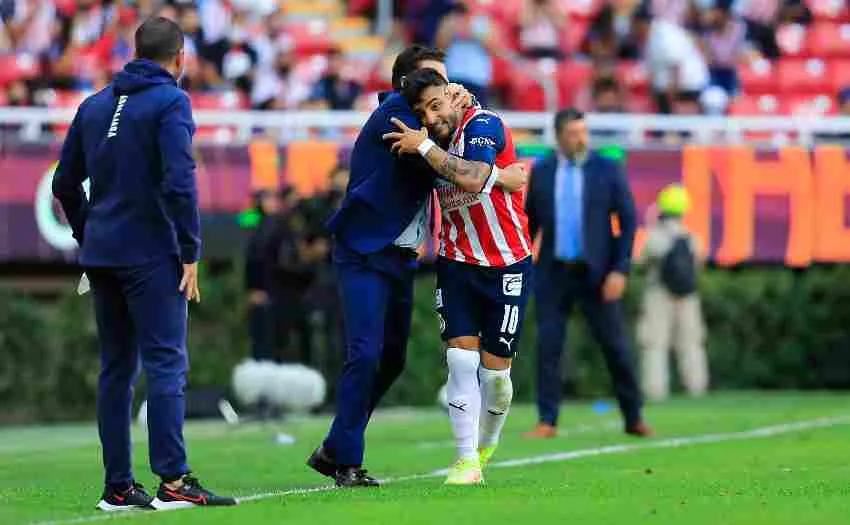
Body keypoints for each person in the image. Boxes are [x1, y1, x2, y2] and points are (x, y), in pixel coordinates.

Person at [305, 45, 528, 488]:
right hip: (366, 251)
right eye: (434, 82)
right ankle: (346, 459)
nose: (446, 90)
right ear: (405, 86)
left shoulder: (432, 122)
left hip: (401, 256)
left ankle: (335, 445)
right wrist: (504, 176)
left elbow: (461, 153)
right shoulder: (397, 113)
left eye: (445, 85)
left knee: (392, 359)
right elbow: (456, 159)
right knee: (366, 353)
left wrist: (464, 112)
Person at [52, 17, 235, 511]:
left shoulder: (93, 106)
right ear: (180, 58)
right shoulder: (171, 101)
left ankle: (117, 487)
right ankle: (173, 480)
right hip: (151, 253)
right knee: (166, 364)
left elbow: (63, 185)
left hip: (103, 255)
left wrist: (88, 235)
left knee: (116, 370)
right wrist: (191, 250)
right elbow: (180, 181)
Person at [387, 68, 532, 484]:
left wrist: (429, 149)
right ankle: (466, 460)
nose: (431, 118)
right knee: (459, 359)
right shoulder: (428, 141)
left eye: (437, 106)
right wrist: (502, 177)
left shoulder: (483, 124)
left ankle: (486, 444)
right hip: (457, 261)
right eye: (424, 112)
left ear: (455, 98)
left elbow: (471, 175)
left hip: (507, 262)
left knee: (497, 378)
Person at [523, 109, 653, 439]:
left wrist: (620, 269)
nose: (580, 138)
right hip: (553, 272)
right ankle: (547, 420)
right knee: (548, 347)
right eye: (573, 133)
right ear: (558, 136)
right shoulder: (544, 172)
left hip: (597, 273)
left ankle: (633, 416)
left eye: (583, 131)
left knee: (615, 347)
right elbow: (531, 223)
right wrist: (524, 265)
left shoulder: (606, 169)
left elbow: (627, 224)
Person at [637, 184, 708, 402]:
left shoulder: (655, 237)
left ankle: (655, 390)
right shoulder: (692, 238)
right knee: (691, 342)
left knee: (655, 343)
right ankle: (696, 386)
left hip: (658, 293)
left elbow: (643, 262)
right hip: (687, 296)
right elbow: (699, 264)